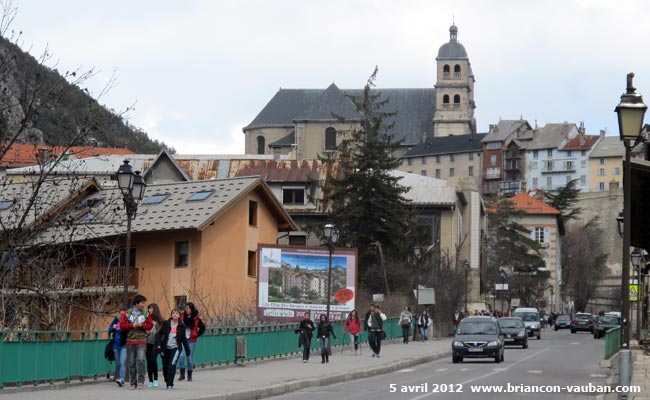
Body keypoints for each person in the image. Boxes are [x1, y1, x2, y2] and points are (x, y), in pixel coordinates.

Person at [120, 294, 153, 390]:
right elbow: (122, 326)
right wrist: (132, 325)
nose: (143, 305)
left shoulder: (146, 314)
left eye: (144, 303)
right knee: (131, 363)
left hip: (141, 340)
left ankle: (141, 381)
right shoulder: (127, 313)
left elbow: (150, 325)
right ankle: (133, 383)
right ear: (136, 303)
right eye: (142, 303)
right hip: (130, 341)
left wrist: (142, 325)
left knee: (141, 360)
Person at [157, 308, 191, 391]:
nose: (175, 314)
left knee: (171, 365)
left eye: (176, 313)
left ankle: (170, 384)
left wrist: (187, 351)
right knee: (165, 366)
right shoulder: (166, 323)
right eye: (173, 313)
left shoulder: (181, 325)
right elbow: (159, 334)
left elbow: (183, 339)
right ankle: (167, 380)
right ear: (171, 315)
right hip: (165, 348)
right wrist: (159, 344)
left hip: (175, 348)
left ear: (179, 315)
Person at [178, 302, 205, 382]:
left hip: (192, 340)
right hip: (183, 340)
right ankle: (182, 374)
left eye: (189, 308)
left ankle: (189, 375)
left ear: (192, 309)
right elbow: (178, 325)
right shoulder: (182, 317)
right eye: (186, 308)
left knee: (189, 358)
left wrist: (197, 334)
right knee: (181, 356)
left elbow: (202, 328)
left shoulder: (196, 318)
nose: (187, 310)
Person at [146, 303, 164, 387]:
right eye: (148, 308)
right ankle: (150, 380)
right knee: (149, 361)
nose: (149, 310)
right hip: (147, 342)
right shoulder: (146, 318)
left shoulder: (160, 320)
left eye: (151, 308)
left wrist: (160, 343)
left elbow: (163, 333)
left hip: (156, 344)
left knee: (153, 359)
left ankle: (156, 379)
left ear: (155, 309)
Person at [108, 310, 127, 387]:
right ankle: (119, 378)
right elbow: (109, 330)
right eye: (121, 314)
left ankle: (122, 379)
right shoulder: (115, 320)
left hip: (124, 345)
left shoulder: (127, 321)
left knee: (122, 362)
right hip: (115, 345)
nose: (122, 315)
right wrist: (113, 327)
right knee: (118, 363)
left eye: (123, 314)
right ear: (119, 314)